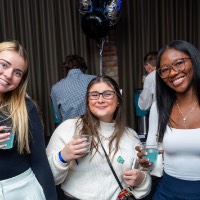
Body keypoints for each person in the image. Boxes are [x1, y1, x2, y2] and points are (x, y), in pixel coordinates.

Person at [46, 76, 151, 200]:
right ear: (87, 100)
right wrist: (62, 157)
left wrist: (141, 179)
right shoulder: (68, 129)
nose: (100, 100)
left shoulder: (131, 135)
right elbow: (48, 178)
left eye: (107, 94)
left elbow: (144, 172)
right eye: (94, 95)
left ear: (118, 100)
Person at [137, 40, 200, 200]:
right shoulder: (159, 107)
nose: (172, 73)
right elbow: (151, 148)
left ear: (193, 60)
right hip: (167, 192)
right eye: (165, 69)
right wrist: (147, 161)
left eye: (179, 63)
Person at [0, 40, 57, 200]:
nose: (8, 75)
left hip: (23, 189)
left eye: (17, 72)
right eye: (4, 65)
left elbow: (39, 162)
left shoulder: (27, 108)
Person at [50, 54, 96, 122]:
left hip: (68, 128)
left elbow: (58, 116)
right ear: (83, 67)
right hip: (93, 125)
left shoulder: (55, 88)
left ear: (65, 69)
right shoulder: (95, 79)